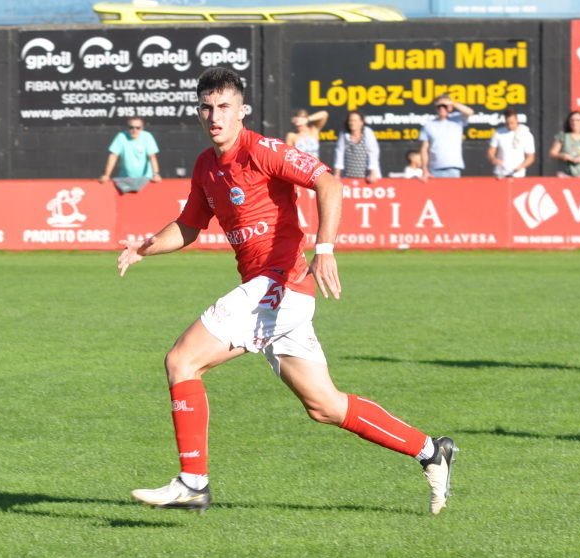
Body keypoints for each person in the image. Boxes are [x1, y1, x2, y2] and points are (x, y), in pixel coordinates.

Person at [118, 67, 456, 516]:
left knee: (182, 360)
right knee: (324, 406)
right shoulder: (206, 166)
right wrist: (147, 246)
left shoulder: (263, 150)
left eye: (223, 107)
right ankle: (431, 452)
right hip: (271, 293)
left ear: (242, 111)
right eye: (206, 107)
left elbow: (328, 182)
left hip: (280, 283)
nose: (214, 116)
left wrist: (326, 248)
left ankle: (193, 482)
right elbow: (190, 226)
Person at [418, 95, 474, 180]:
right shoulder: (429, 125)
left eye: (444, 106)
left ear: (450, 108)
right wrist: (425, 170)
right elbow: (424, 149)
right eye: (439, 106)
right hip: (434, 169)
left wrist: (451, 103)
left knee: (453, 193)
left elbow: (470, 112)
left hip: (453, 168)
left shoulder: (457, 119)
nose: (441, 108)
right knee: (435, 193)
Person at [99, 117, 162, 183]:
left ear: (142, 128)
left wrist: (156, 175)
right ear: (127, 128)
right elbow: (113, 156)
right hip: (125, 180)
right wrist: (106, 175)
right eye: (131, 127)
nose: (134, 130)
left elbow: (152, 157)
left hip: (146, 180)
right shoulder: (121, 137)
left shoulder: (148, 137)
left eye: (138, 128)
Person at [333, 111, 381, 183]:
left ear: (361, 122)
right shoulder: (343, 134)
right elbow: (339, 154)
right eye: (350, 121)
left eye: (355, 121)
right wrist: (337, 174)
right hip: (348, 176)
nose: (352, 123)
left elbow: (373, 153)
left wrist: (372, 173)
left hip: (367, 177)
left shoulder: (367, 133)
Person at [487, 108, 536, 178]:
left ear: (517, 119)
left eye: (512, 123)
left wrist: (521, 166)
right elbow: (491, 151)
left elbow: (530, 157)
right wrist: (493, 159)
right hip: (500, 174)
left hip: (518, 175)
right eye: (507, 123)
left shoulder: (526, 134)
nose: (510, 126)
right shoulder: (498, 133)